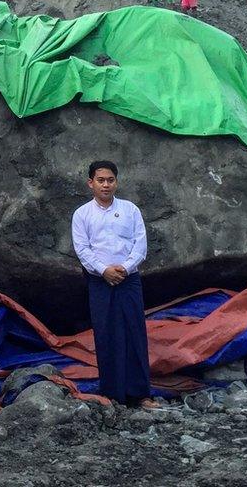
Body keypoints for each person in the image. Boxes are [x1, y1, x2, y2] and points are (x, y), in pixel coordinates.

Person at [72, 161, 157, 409]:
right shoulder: (82, 214)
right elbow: (82, 249)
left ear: (116, 182)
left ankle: (140, 394)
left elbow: (140, 245)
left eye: (110, 180)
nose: (106, 185)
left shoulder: (130, 210)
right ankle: (112, 395)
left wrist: (124, 268)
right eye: (101, 180)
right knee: (106, 333)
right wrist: (104, 270)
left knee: (135, 332)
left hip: (128, 279)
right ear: (91, 183)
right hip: (99, 281)